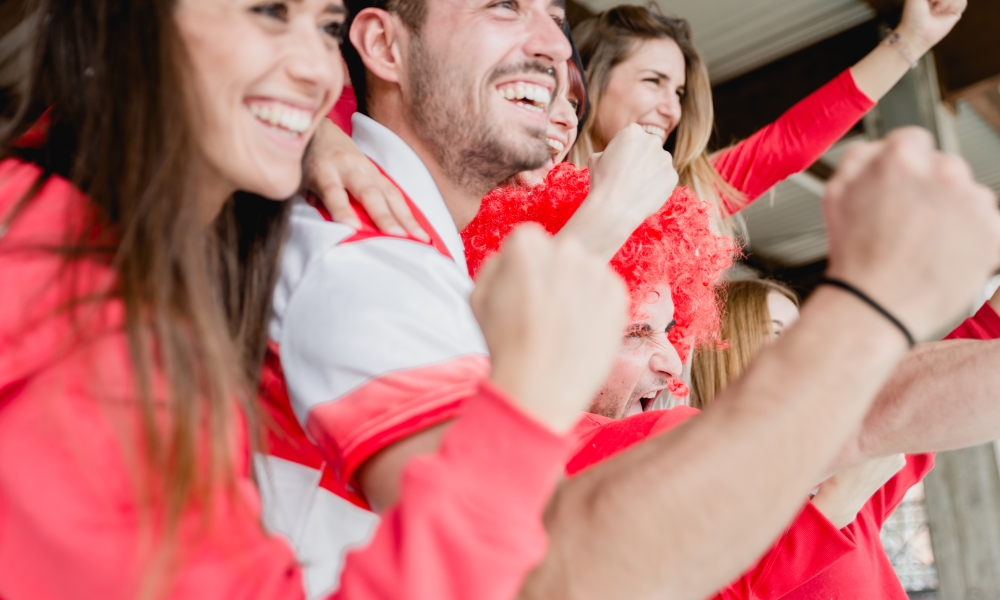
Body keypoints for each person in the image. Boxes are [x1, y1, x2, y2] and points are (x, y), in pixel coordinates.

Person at [261, 0, 1000, 595]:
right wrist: (873, 308)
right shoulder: (358, 247)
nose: (553, 45)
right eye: (504, 8)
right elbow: (506, 561)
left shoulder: (426, 246)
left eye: (555, 17)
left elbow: (852, 418)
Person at [0, 0, 634, 598]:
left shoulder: (153, 265)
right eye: (269, 12)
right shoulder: (55, 286)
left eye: (325, 27)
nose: (316, 71)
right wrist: (521, 408)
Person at [570, 0, 965, 234]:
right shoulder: (524, 176)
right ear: (588, 79)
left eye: (678, 92)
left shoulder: (690, 196)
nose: (672, 109)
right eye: (653, 80)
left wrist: (913, 40)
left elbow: (791, 140)